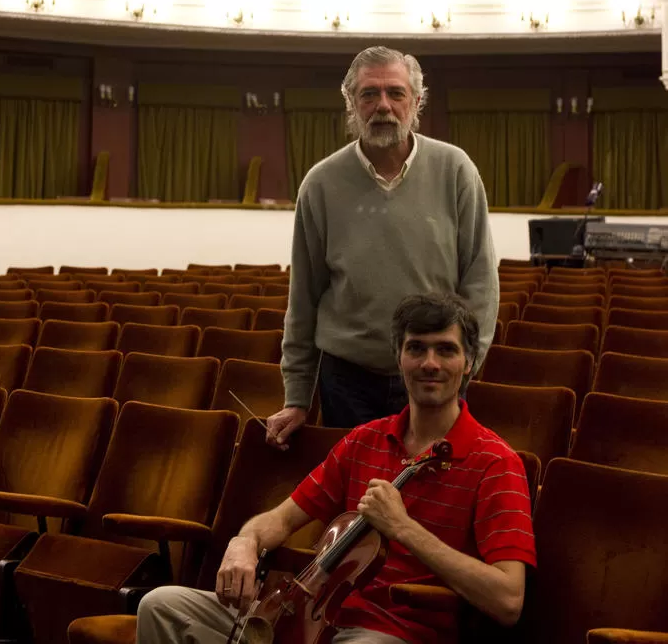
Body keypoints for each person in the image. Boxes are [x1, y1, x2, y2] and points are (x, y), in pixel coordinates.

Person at [136, 295, 536, 644]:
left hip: (394, 632)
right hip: (312, 616)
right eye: (416, 348)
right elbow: (278, 521)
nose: (430, 363)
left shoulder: (496, 464)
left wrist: (402, 528)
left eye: (446, 350)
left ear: (469, 363)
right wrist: (244, 542)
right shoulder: (364, 440)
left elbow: (508, 600)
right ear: (398, 357)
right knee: (161, 606)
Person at [268, 45, 498, 439]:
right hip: (347, 379)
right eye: (369, 94)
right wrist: (297, 396)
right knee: (357, 498)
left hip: (435, 374)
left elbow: (480, 281)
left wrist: (461, 368)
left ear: (416, 101)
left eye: (396, 93)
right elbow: (303, 298)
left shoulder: (456, 169)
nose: (383, 106)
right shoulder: (320, 184)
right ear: (351, 103)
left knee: (428, 495)